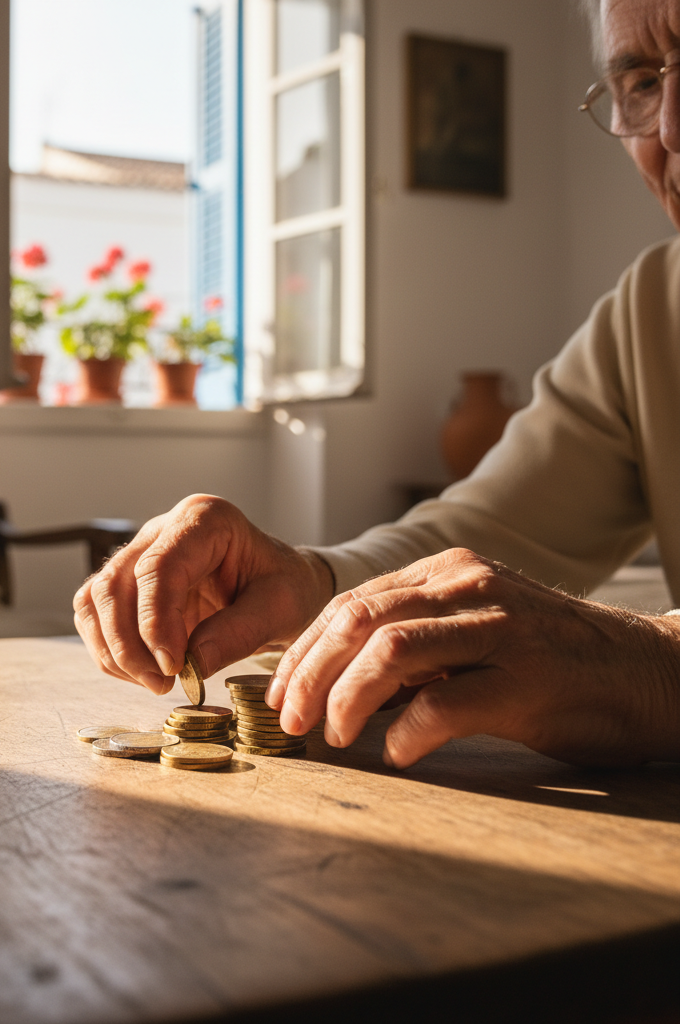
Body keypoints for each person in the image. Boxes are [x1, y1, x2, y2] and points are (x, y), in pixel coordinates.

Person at [74, 0, 680, 770]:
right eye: (639, 78)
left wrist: (654, 662)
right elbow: (483, 532)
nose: (670, 132)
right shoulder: (655, 308)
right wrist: (307, 581)